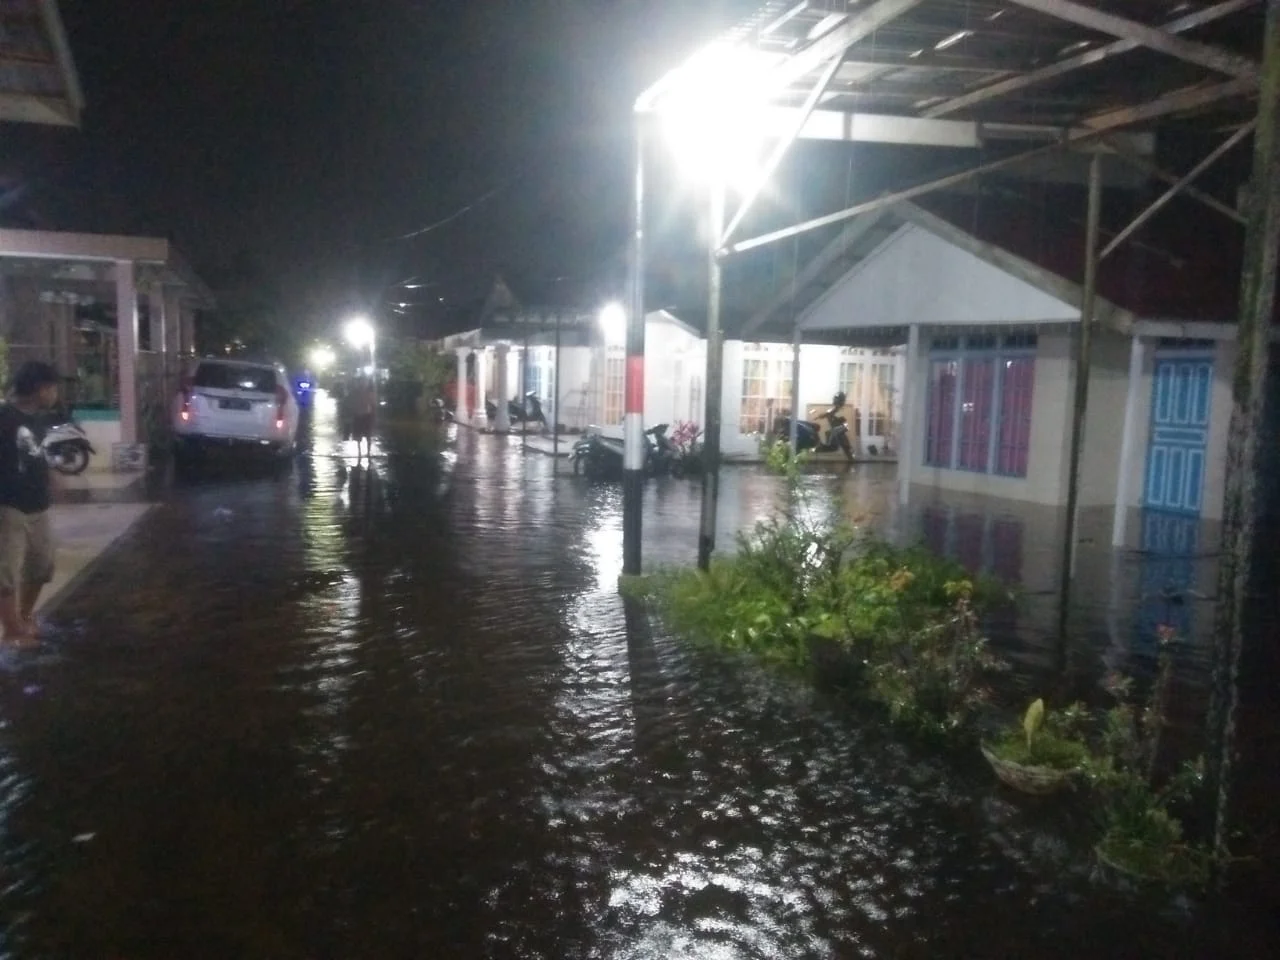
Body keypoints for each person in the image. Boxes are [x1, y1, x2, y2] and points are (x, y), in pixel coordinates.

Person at [0, 361, 60, 644]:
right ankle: (12, 630)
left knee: (42, 565)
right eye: (52, 387)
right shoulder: (4, 417)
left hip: (39, 505)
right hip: (9, 505)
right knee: (6, 572)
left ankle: (24, 616)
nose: (55, 394)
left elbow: (38, 455)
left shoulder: (39, 419)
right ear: (40, 389)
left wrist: (51, 480)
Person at [351, 377, 377, 461]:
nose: (363, 384)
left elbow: (373, 404)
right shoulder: (356, 392)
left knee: (368, 435)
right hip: (358, 415)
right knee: (358, 435)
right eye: (361, 382)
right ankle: (359, 453)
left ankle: (368, 453)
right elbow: (352, 403)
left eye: (364, 382)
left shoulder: (369, 392)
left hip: (366, 415)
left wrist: (373, 415)